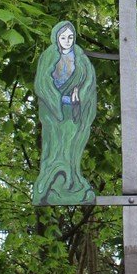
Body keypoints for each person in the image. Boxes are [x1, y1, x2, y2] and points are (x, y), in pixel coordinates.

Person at [33, 21, 96, 205]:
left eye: (70, 37)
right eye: (63, 37)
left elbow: (89, 82)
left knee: (72, 147)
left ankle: (72, 183)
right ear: (56, 38)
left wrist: (79, 94)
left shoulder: (82, 58)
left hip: (74, 112)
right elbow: (42, 82)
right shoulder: (48, 56)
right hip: (54, 114)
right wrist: (58, 100)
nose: (67, 41)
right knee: (54, 147)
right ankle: (51, 184)